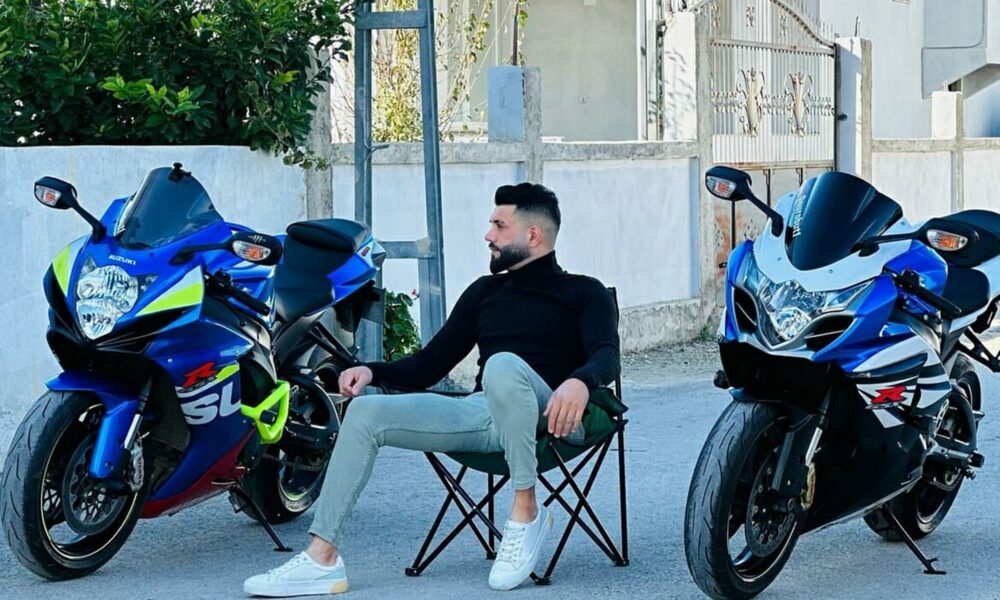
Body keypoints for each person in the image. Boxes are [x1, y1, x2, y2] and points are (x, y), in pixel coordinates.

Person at [244, 182, 620, 597]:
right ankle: (322, 559)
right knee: (366, 413)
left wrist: (579, 382)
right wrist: (370, 371)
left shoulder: (584, 292)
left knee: (502, 365)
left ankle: (525, 510)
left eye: (499, 226)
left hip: (554, 416)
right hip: (485, 415)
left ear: (533, 236)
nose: (488, 235)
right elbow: (429, 365)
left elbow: (607, 356)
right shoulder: (484, 293)